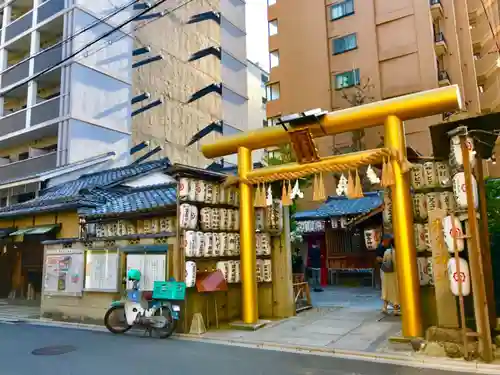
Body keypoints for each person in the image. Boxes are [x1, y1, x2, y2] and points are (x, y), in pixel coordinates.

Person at [380, 238, 400, 315]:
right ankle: (395, 310)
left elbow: (384, 262)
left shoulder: (387, 252)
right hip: (396, 274)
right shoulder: (400, 253)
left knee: (386, 290)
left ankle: (384, 307)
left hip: (387, 274)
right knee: (396, 291)